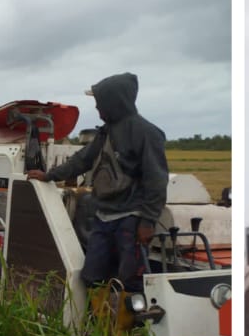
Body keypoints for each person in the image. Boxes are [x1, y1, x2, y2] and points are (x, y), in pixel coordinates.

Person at [26, 72, 168, 295]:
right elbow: (83, 159)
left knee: (130, 280)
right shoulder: (107, 132)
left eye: (99, 102)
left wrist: (148, 221)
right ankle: (101, 323)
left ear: (113, 102)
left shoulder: (146, 134)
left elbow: (157, 180)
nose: (97, 108)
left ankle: (130, 328)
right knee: (92, 276)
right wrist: (49, 175)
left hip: (131, 218)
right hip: (104, 217)